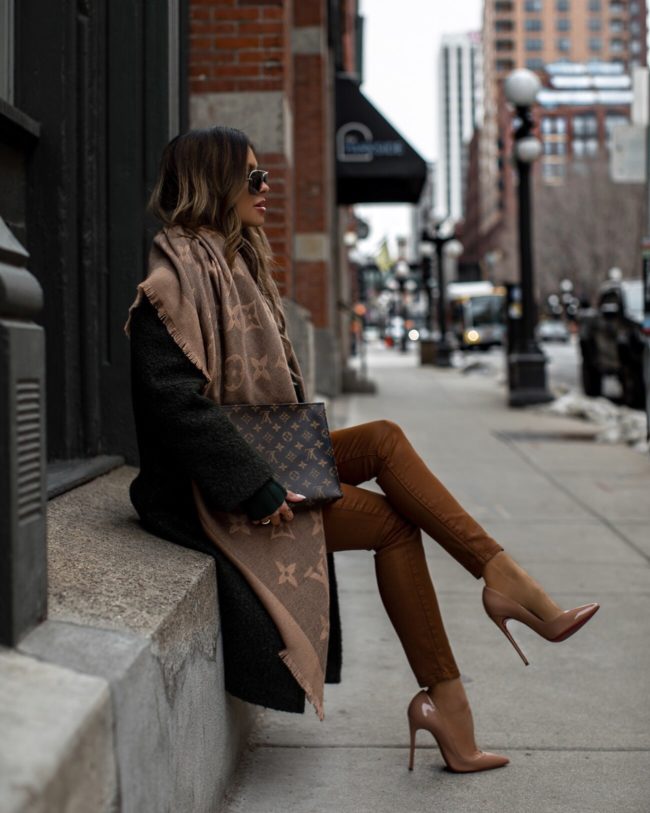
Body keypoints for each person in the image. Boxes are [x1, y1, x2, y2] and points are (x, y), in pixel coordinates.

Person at [126, 126, 599, 775]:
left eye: (266, 175)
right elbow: (175, 406)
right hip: (205, 494)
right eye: (253, 177)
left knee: (383, 439)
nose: (267, 188)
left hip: (254, 457)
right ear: (215, 184)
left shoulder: (236, 267)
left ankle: (500, 582)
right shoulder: (172, 282)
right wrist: (255, 484)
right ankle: (456, 697)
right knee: (393, 525)